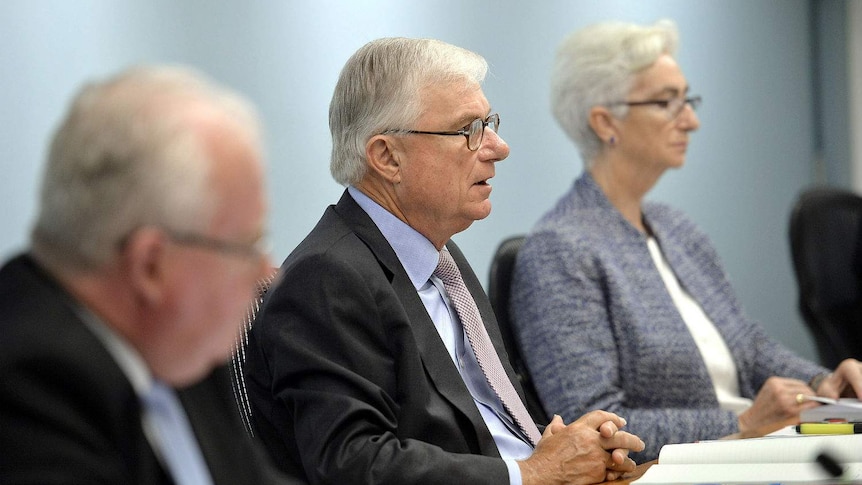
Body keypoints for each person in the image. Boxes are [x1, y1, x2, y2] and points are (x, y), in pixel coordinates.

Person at [243, 37, 645, 485]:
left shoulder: (441, 257)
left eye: (489, 122)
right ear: (387, 157)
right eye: (469, 129)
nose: (498, 147)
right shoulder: (327, 277)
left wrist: (571, 449)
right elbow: (353, 462)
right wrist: (532, 473)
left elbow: (492, 417)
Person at [510, 19, 862, 462]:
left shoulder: (676, 227)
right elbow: (594, 421)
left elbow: (747, 347)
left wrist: (822, 384)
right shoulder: (559, 250)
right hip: (687, 464)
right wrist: (741, 424)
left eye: (687, 100)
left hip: (752, 450)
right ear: (604, 122)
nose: (691, 120)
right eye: (667, 103)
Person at [0, 65, 302, 484]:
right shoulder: (28, 391)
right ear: (151, 267)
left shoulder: (176, 345)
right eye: (246, 247)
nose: (267, 271)